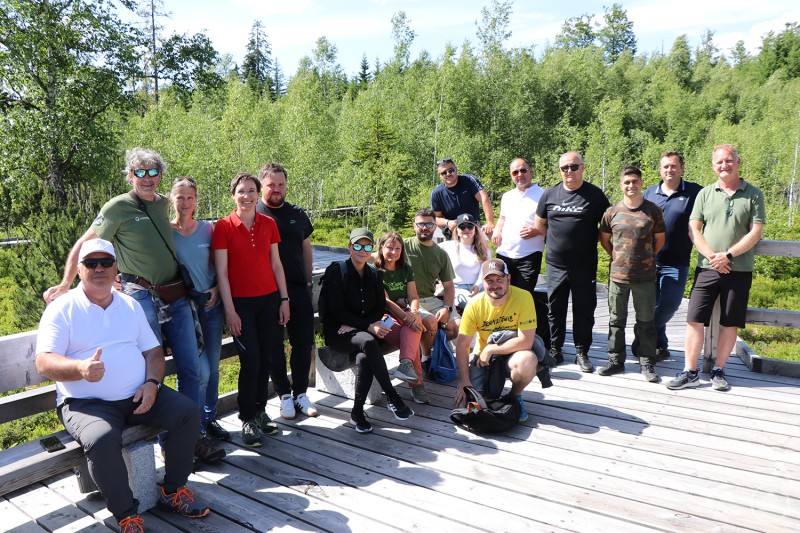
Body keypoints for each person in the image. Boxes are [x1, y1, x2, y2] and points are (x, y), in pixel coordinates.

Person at [42, 148, 221, 463]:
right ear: (130, 175)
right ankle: (166, 442)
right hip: (141, 297)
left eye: (153, 172)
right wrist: (66, 284)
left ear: (161, 176)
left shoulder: (165, 203)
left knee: (191, 369)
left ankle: (191, 437)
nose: (147, 178)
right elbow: (85, 245)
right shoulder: (117, 208)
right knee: (151, 371)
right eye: (140, 172)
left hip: (176, 295)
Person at [36, 239, 210, 533]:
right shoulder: (62, 309)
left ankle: (173, 490)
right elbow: (43, 362)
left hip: (137, 394)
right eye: (91, 263)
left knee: (187, 412)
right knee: (102, 440)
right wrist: (79, 368)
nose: (99, 268)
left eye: (106, 262)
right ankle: (127, 515)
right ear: (79, 270)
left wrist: (153, 383)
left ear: (116, 268)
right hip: (85, 403)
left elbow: (154, 353)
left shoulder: (129, 304)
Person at [667, 145, 765, 392]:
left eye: (729, 161)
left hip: (739, 268)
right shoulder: (705, 194)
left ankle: (719, 370)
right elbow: (694, 229)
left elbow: (756, 231)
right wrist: (713, 257)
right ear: (713, 165)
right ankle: (690, 371)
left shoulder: (753, 194)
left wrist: (729, 255)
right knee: (694, 319)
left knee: (730, 322)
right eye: (719, 162)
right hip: (707, 267)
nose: (724, 165)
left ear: (738, 162)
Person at [212, 172, 290, 447]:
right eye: (241, 192)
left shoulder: (269, 223)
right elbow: (221, 273)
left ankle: (260, 412)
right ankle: (246, 418)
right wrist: (230, 311)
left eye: (251, 191)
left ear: (258, 194)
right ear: (233, 195)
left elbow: (276, 264)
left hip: (269, 300)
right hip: (241, 304)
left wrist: (284, 299)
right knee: (251, 361)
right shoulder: (223, 227)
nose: (246, 197)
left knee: (268, 358)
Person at [321, 228, 415, 434]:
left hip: (360, 330)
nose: (362, 250)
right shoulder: (337, 271)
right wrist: (366, 326)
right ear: (349, 247)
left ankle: (357, 413)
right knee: (369, 342)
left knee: (364, 359)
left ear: (372, 249)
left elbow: (380, 307)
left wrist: (361, 325)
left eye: (367, 246)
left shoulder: (373, 274)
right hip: (338, 333)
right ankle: (392, 396)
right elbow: (335, 311)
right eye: (357, 245)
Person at [534, 151, 610, 373]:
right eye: (564, 168)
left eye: (573, 167)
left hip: (584, 265)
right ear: (560, 170)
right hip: (556, 264)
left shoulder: (595, 195)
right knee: (555, 309)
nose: (569, 171)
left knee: (584, 308)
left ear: (582, 167)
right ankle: (556, 349)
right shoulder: (550, 194)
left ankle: (581, 351)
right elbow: (540, 225)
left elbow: (606, 228)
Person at [256, 162, 318, 419]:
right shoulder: (254, 213)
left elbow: (306, 250)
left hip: (297, 288)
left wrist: (307, 283)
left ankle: (300, 393)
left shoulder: (298, 214)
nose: (276, 189)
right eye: (271, 185)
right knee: (273, 347)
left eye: (281, 184)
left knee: (303, 343)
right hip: (267, 293)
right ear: (262, 186)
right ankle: (283, 396)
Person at [170, 177, 229, 445]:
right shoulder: (165, 233)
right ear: (172, 199)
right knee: (199, 372)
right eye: (180, 197)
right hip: (185, 312)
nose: (185, 203)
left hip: (212, 307)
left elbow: (221, 266)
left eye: (190, 197)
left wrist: (217, 289)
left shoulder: (208, 229)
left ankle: (208, 419)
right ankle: (192, 425)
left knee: (213, 368)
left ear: (197, 199)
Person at [598, 166, 666, 382]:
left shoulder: (653, 211)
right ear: (621, 184)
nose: (631, 185)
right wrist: (619, 258)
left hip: (644, 278)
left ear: (641, 183)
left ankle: (647, 363)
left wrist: (645, 259)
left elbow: (660, 240)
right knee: (616, 321)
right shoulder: (612, 212)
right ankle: (616, 361)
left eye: (635, 181)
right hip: (618, 277)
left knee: (646, 321)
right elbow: (605, 240)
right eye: (627, 182)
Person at [453, 258, 539, 423]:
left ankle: (515, 396)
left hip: (513, 354)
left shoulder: (524, 297)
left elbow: (526, 341)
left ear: (508, 279)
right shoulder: (474, 304)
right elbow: (462, 345)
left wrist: (491, 349)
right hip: (482, 360)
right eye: (489, 280)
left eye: (499, 279)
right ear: (483, 283)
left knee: (527, 360)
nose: (495, 285)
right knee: (468, 404)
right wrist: (465, 382)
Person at [641, 151, 702, 361]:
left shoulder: (695, 192)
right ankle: (659, 347)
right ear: (660, 169)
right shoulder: (649, 193)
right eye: (665, 166)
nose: (669, 170)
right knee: (652, 306)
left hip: (677, 262)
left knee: (669, 305)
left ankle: (641, 336)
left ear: (682, 168)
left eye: (674, 166)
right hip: (649, 262)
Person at [374, 232, 427, 403]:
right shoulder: (375, 271)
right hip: (382, 317)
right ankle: (417, 385)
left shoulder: (406, 269)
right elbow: (387, 302)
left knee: (416, 322)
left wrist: (413, 312)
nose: (393, 252)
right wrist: (407, 318)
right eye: (389, 247)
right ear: (381, 248)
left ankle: (405, 365)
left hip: (404, 312)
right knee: (412, 337)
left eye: (397, 248)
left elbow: (414, 297)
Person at [404, 208, 458, 359]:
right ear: (414, 226)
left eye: (429, 224)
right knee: (431, 322)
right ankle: (426, 358)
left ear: (435, 226)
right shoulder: (403, 246)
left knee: (456, 327)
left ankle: (428, 344)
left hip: (430, 299)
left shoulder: (441, 254)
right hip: (408, 301)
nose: (424, 228)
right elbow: (380, 258)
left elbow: (448, 286)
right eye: (421, 224)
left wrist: (447, 308)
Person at [493, 157, 546, 296]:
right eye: (515, 172)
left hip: (529, 255)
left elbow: (553, 223)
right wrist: (497, 230)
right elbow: (502, 218)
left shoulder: (544, 195)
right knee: (502, 295)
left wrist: (537, 230)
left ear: (531, 171)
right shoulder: (507, 196)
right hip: (504, 254)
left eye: (523, 170)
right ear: (511, 175)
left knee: (523, 297)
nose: (520, 175)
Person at [438, 213, 491, 313]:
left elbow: (485, 270)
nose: (466, 229)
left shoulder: (484, 249)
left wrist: (478, 285)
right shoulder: (448, 246)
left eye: (470, 226)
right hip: (457, 288)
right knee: (474, 304)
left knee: (491, 302)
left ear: (475, 230)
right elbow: (427, 247)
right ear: (457, 231)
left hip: (479, 286)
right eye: (462, 227)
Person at [431, 157, 496, 238]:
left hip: (474, 229)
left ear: (456, 170)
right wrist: (448, 222)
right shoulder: (436, 193)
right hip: (454, 233)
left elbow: (484, 198)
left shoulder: (469, 180)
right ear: (439, 175)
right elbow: (436, 218)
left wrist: (490, 223)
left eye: (451, 170)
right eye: (444, 173)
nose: (448, 174)